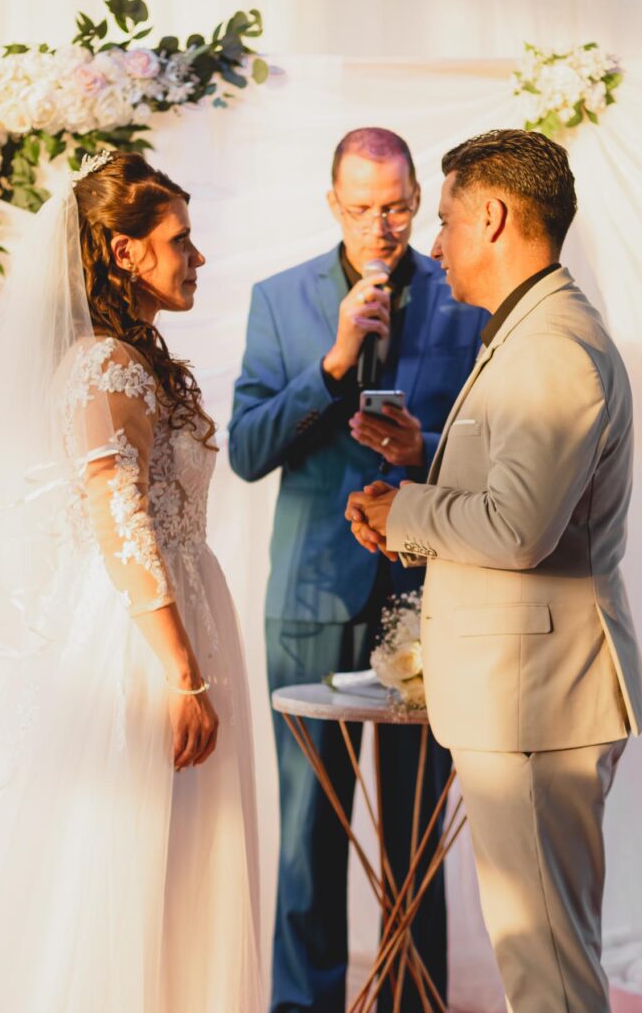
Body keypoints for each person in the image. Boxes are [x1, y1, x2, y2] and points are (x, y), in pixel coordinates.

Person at [345, 129, 642, 1013]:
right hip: (526, 692)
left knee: (545, 965)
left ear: (491, 216)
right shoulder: (529, 330)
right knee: (542, 955)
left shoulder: (549, 345)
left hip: (536, 697)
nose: (433, 243)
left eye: (443, 221)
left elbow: (518, 530)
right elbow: (524, 483)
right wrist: (424, 465)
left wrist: (403, 513)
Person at [0, 151, 262, 1012]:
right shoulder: (103, 365)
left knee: (181, 864)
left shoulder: (137, 357)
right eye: (180, 240)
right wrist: (183, 675)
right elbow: (121, 523)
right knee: (132, 856)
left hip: (182, 614)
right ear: (123, 251)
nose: (198, 256)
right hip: (142, 638)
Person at [228, 127, 487, 1012]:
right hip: (309, 598)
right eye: (361, 207)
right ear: (331, 203)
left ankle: (411, 1002)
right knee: (308, 834)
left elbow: (493, 446)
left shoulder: (464, 297)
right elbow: (246, 452)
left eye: (397, 207)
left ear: (416, 201)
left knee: (417, 834)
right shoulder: (279, 299)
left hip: (428, 598)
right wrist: (332, 365)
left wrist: (426, 448)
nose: (381, 225)